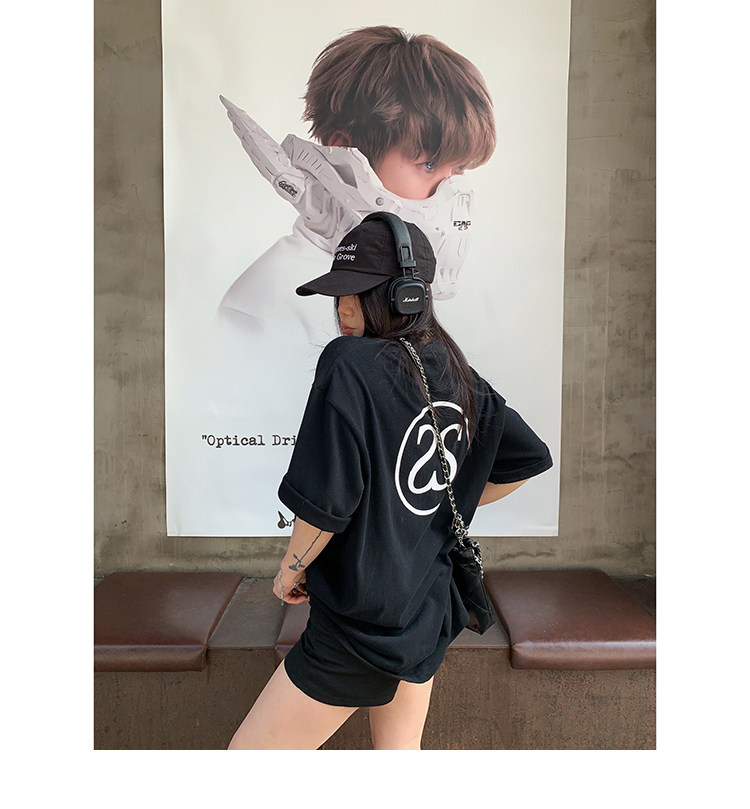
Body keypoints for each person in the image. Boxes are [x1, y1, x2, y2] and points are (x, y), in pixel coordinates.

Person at [227, 215, 553, 750]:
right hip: (425, 607)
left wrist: (291, 569)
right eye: (338, 294)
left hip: (359, 625)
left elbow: (325, 503)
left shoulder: (348, 363)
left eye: (357, 292)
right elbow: (527, 459)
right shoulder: (452, 365)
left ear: (405, 295)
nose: (342, 308)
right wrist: (429, 508)